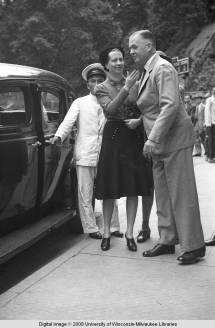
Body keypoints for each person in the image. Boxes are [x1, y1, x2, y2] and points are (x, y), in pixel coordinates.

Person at [129, 29, 205, 264]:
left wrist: (152, 139)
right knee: (162, 194)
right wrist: (142, 123)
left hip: (171, 140)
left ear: (149, 46)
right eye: (130, 47)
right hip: (159, 142)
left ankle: (194, 246)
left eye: (135, 47)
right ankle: (168, 238)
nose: (131, 51)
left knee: (182, 194)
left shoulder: (162, 68)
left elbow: (170, 105)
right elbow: (152, 108)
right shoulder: (146, 72)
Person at [51, 63, 122, 239]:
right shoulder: (80, 102)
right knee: (85, 193)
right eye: (93, 81)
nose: (96, 84)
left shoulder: (111, 101)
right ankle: (91, 228)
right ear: (87, 84)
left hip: (106, 153)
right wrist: (59, 136)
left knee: (110, 190)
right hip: (85, 153)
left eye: (100, 80)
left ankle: (113, 227)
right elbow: (68, 122)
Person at [95, 46, 154, 251]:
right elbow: (110, 109)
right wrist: (126, 87)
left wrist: (139, 120)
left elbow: (146, 108)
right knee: (110, 187)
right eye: (114, 60)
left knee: (133, 186)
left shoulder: (136, 82)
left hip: (133, 135)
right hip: (113, 136)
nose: (119, 63)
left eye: (121, 59)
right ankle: (106, 233)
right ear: (106, 65)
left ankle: (130, 233)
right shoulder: (100, 87)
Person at [205, 87, 215, 163]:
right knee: (210, 140)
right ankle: (209, 156)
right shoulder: (209, 100)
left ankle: (212, 156)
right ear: (212, 91)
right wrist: (208, 123)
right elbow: (207, 112)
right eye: (214, 90)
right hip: (211, 123)